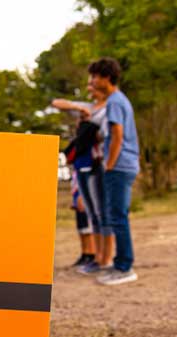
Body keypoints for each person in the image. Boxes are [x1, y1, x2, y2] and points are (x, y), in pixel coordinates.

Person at [52, 77, 114, 273]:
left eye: (93, 86)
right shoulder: (87, 107)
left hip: (95, 165)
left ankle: (102, 256)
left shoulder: (110, 110)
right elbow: (56, 102)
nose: (90, 89)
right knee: (84, 211)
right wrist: (80, 111)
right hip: (80, 167)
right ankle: (91, 255)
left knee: (97, 212)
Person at [89, 57, 139, 285]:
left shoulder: (115, 102)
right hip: (124, 164)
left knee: (118, 217)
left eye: (95, 76)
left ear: (107, 77)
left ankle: (124, 267)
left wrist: (109, 164)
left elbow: (117, 134)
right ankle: (121, 263)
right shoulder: (119, 100)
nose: (92, 81)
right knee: (118, 216)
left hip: (119, 166)